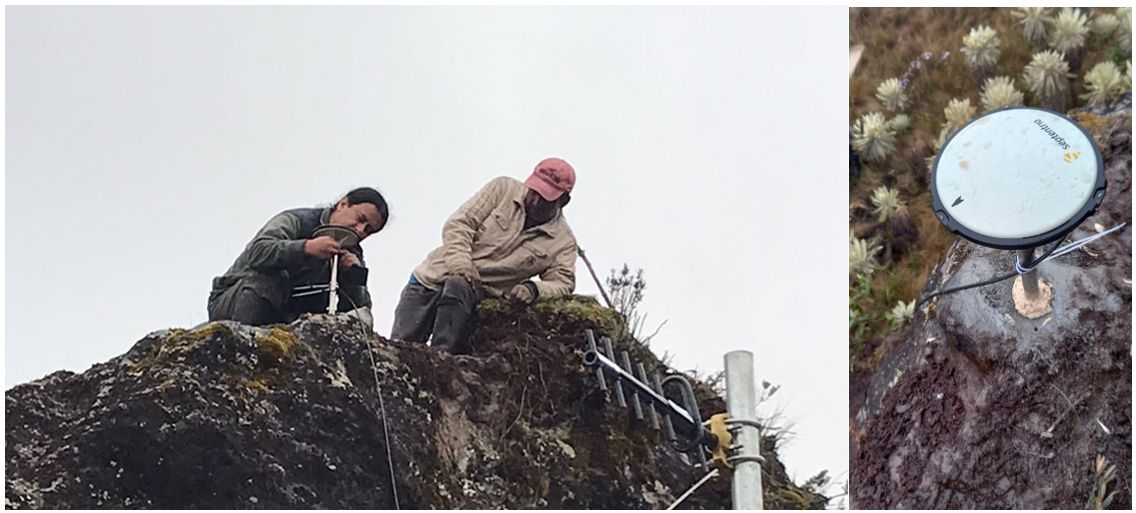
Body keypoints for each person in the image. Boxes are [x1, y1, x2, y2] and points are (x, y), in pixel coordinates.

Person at [391, 157, 578, 353]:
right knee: (400, 349)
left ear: (563, 201)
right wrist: (461, 263)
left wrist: (534, 289)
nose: (536, 201)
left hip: (473, 299)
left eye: (546, 199)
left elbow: (563, 282)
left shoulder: (563, 242)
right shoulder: (502, 189)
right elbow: (460, 224)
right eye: (535, 192)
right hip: (430, 279)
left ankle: (440, 357)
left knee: (444, 361)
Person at [208, 187, 389, 326]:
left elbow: (360, 311)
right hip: (235, 300)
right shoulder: (297, 221)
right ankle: (241, 353)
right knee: (268, 283)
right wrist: (305, 248)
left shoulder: (353, 252)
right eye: (360, 218)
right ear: (343, 204)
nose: (360, 230)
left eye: (368, 230)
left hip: (288, 316)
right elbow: (257, 253)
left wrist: (353, 277)